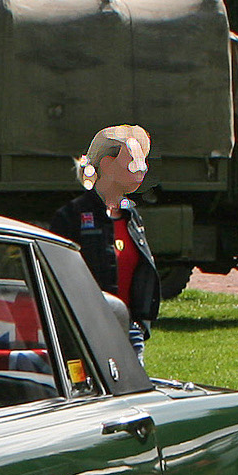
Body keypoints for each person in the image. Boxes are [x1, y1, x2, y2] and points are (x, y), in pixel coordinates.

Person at [48, 124, 159, 356]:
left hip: (130, 331)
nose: (142, 168)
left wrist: (141, 321)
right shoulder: (72, 217)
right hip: (87, 330)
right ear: (107, 165)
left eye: (143, 161)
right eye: (133, 161)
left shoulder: (132, 216)